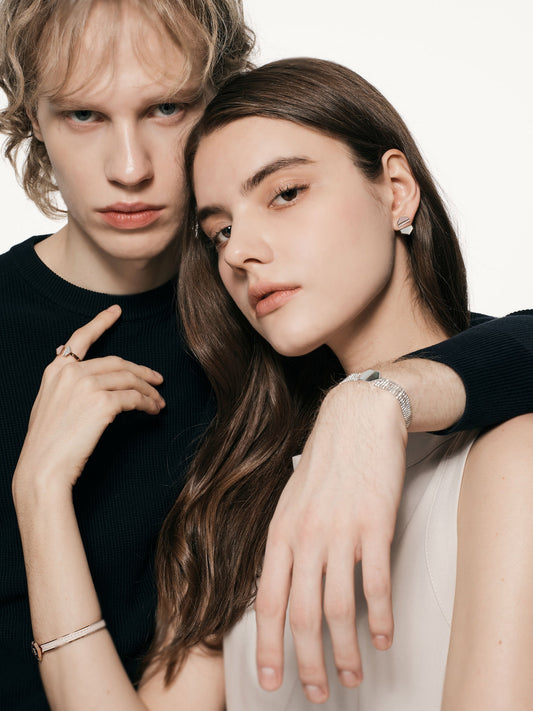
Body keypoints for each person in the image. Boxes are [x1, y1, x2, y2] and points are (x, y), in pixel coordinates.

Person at [1, 0, 532, 708]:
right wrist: (39, 490)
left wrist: (376, 396)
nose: (129, 167)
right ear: (32, 118)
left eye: (165, 107)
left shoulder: (291, 378)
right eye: (219, 231)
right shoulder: (243, 472)